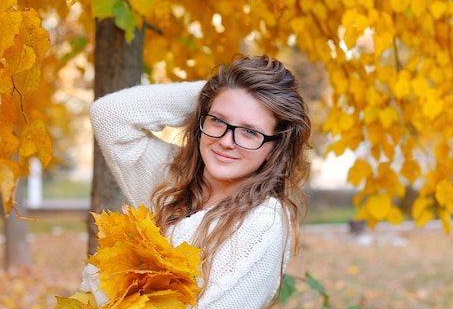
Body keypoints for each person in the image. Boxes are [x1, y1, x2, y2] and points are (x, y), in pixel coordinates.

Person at [81, 54, 311, 308]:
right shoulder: (171, 179)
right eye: (218, 120)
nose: (226, 141)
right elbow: (109, 115)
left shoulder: (264, 220)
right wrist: (216, 91)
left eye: (249, 132)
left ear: (275, 147)